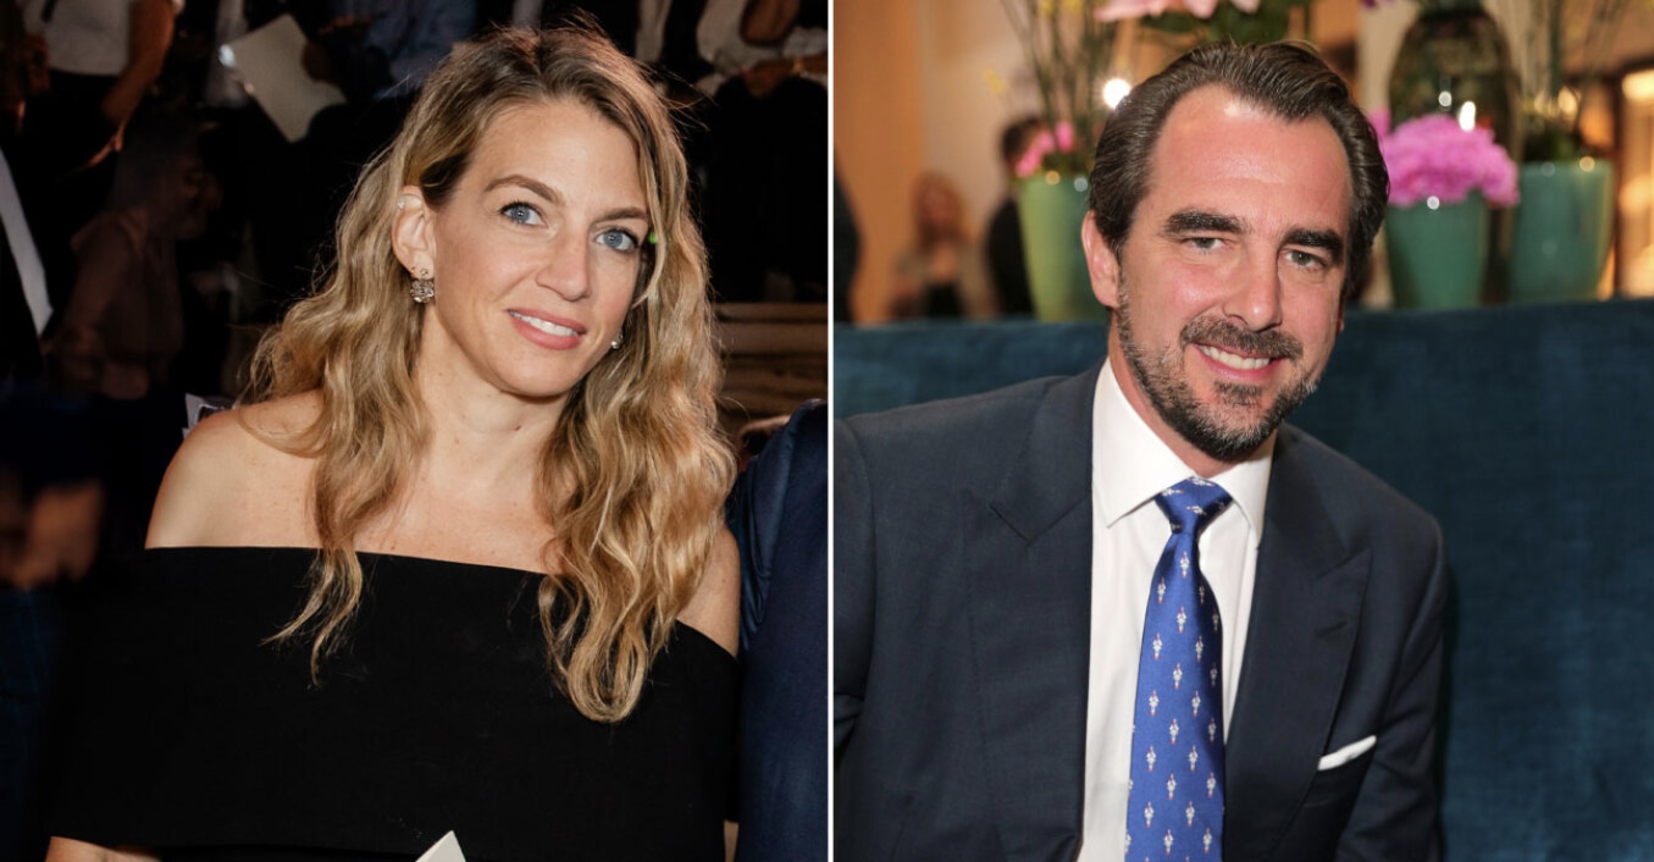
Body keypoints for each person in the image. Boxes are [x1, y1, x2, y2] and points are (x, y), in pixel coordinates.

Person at [47, 25, 740, 861]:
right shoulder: (235, 479)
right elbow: (103, 843)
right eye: (524, 212)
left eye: (616, 236)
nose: (573, 276)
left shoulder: (672, 552)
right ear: (417, 233)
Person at [835, 42, 1446, 861]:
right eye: (1208, 240)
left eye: (1304, 256)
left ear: (1343, 301)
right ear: (1105, 259)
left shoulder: (1395, 561)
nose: (1258, 305)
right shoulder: (883, 503)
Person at [889, 172, 995, 320]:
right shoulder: (909, 258)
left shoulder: (977, 253)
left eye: (941, 206)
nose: (936, 215)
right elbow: (896, 313)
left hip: (972, 331)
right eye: (928, 209)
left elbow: (987, 301)